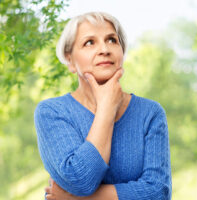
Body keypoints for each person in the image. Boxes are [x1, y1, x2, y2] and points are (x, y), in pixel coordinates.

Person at [34, 12, 172, 200]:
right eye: (89, 42)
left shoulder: (150, 113)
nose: (104, 49)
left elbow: (158, 192)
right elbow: (81, 180)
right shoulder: (52, 112)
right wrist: (107, 108)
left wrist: (75, 199)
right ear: (70, 60)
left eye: (112, 40)